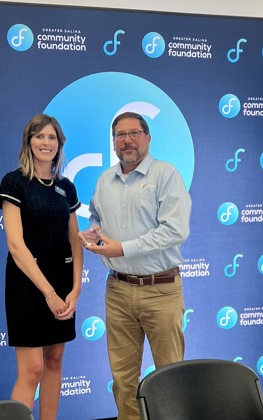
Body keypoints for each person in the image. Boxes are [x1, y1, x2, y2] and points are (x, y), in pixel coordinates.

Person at [79, 111, 191, 420]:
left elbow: (175, 230)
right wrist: (93, 231)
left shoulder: (165, 175)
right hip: (118, 290)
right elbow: (96, 216)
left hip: (161, 290)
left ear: (148, 138)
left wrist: (122, 248)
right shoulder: (104, 180)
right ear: (113, 142)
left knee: (170, 376)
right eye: (120, 135)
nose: (127, 140)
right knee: (122, 380)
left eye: (134, 133)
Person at [0, 114, 83, 420]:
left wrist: (75, 290)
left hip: (61, 283)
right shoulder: (14, 182)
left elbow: (74, 242)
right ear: (28, 142)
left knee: (55, 361)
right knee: (32, 370)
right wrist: (49, 294)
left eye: (52, 137)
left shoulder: (66, 187)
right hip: (27, 285)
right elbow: (16, 246)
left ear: (60, 144)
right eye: (39, 136)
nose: (46, 143)